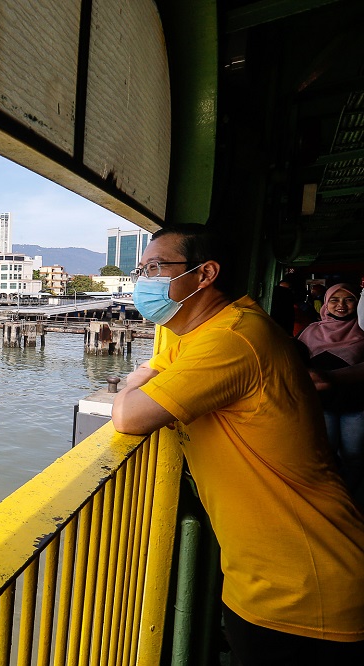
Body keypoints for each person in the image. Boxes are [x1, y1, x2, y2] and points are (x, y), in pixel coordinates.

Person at [111, 224, 364, 665]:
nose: (143, 282)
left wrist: (130, 383)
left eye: (155, 267)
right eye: (141, 270)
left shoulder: (231, 339)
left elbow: (130, 416)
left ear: (205, 274)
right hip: (269, 580)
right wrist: (143, 377)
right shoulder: (199, 332)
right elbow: (161, 363)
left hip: (307, 586)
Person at [298, 283, 364, 499]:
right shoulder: (311, 331)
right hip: (320, 404)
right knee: (325, 453)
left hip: (355, 404)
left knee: (354, 454)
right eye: (334, 300)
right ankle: (331, 498)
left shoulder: (363, 331)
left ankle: (351, 497)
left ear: (358, 303)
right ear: (326, 303)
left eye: (349, 299)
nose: (341, 305)